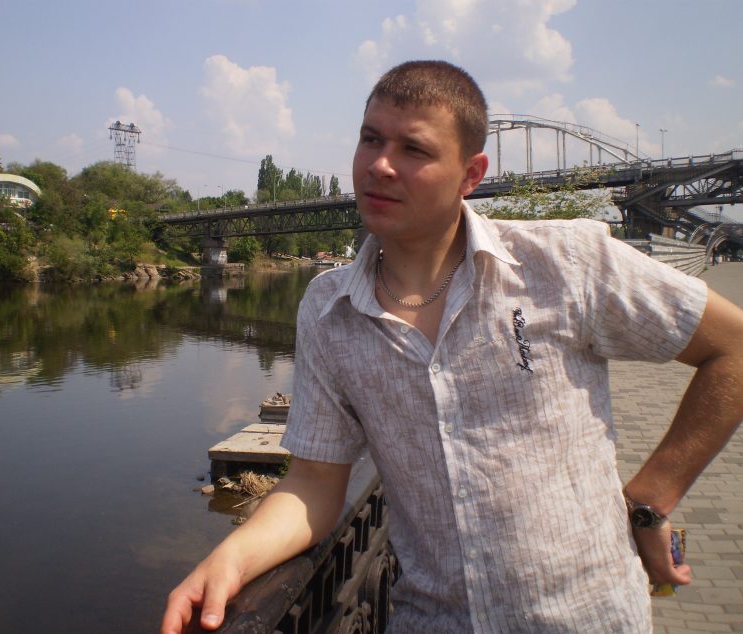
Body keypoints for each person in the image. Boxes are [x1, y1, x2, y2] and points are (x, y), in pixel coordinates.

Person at [162, 60, 743, 633]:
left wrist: (652, 495)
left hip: (592, 617)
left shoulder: (567, 262)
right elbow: (314, 483)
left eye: (413, 149)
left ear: (471, 174)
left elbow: (733, 347)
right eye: (370, 139)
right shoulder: (327, 309)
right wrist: (233, 556)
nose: (379, 165)